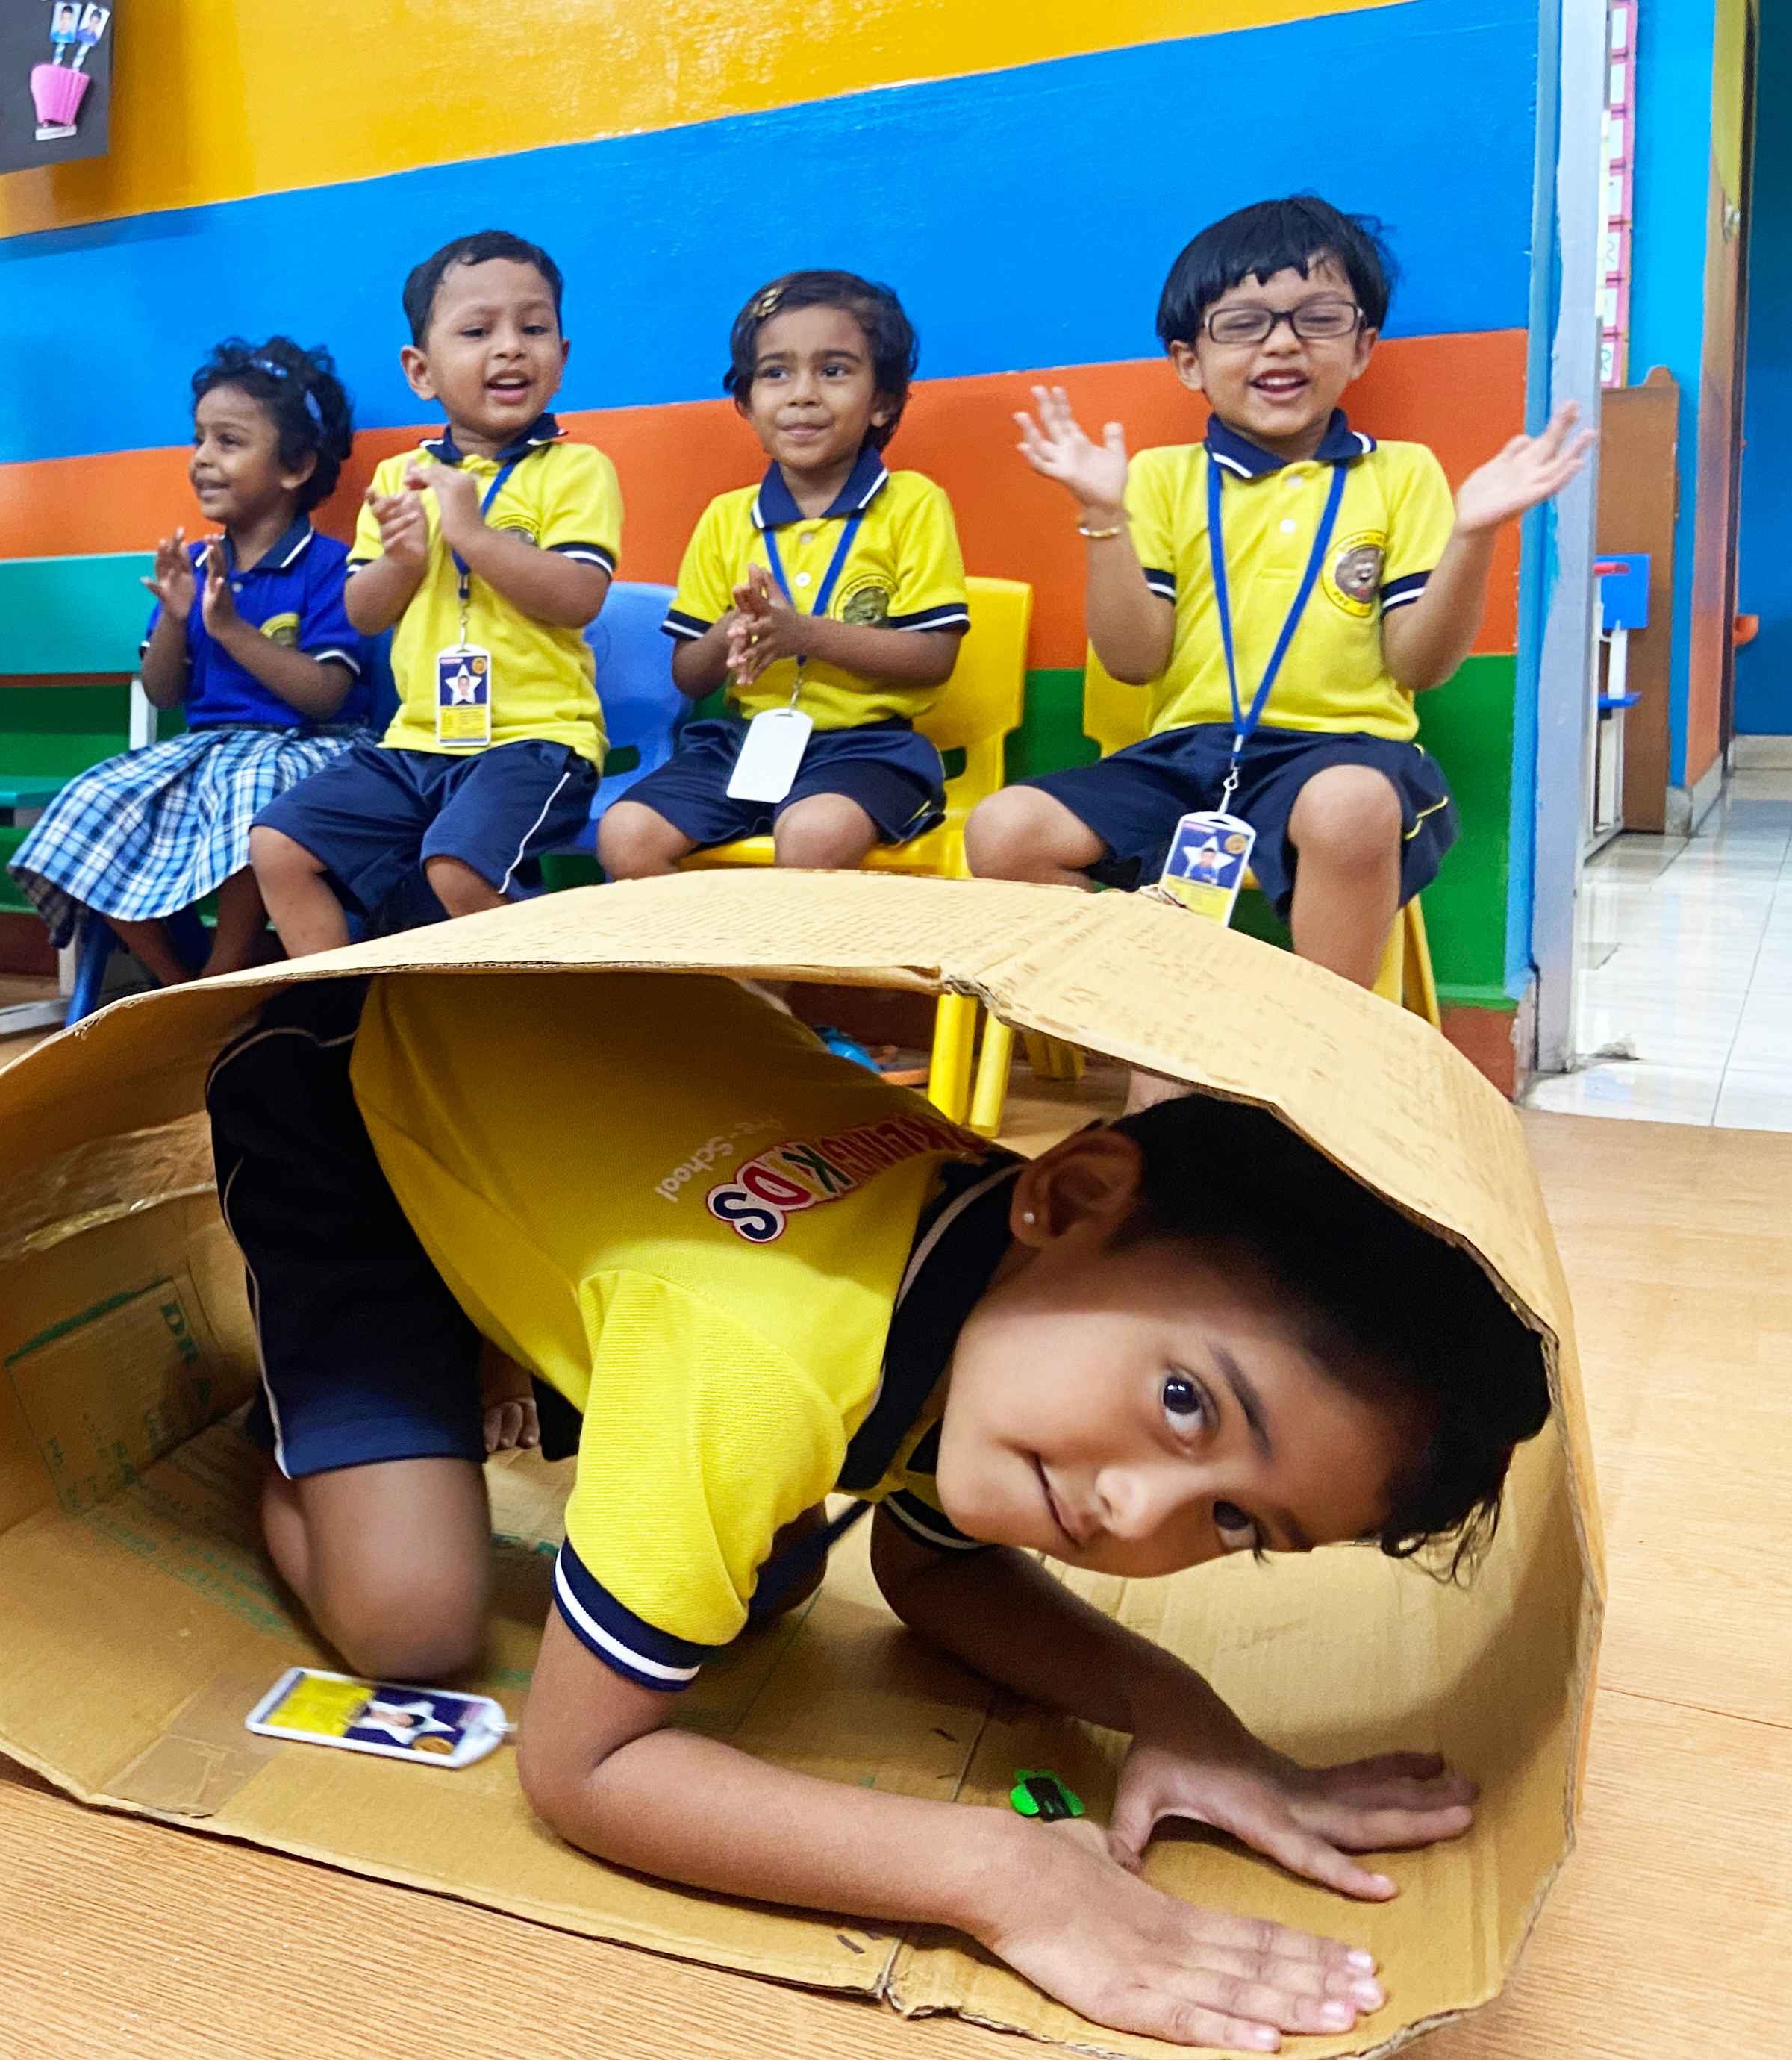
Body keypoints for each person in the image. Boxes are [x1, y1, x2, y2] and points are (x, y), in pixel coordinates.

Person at [207, 968, 1549, 2053]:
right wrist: (997, 1874)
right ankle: (302, 1431)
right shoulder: (765, 1361)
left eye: (1241, 1526)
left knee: (764, 1573)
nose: (1133, 1514)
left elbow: (932, 1573)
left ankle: (479, 1356)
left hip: (585, 1109)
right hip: (352, 1080)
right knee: (410, 1609)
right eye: (1189, 1404)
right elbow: (584, 1770)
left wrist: (1186, 1716)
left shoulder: (1019, 1280)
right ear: (1069, 1195)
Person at [973, 196, 1592, 994]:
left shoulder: (1400, 474)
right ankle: (1160, 1011)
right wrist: (1104, 517)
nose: (1283, 343)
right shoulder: (1156, 480)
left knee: (1346, 805)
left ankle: (1314, 1069)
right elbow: (1132, 663)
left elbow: (1421, 664)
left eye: (1318, 318)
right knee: (1004, 828)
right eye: (1243, 323)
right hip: (1191, 757)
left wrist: (1475, 536)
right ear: (1188, 360)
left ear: (1363, 346)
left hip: (1346, 754)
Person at [250, 231, 616, 953]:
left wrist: (474, 536)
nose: (510, 348)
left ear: (562, 359)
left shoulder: (579, 470)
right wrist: (403, 561)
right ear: (421, 370)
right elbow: (363, 612)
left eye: (533, 328)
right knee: (277, 843)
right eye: (478, 331)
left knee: (457, 865)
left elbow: (578, 597)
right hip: (419, 742)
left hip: (537, 742)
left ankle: (556, 1008)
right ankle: (349, 1017)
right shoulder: (398, 479)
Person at [8, 337, 375, 986]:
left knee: (254, 794)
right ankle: (175, 981)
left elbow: (325, 695)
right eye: (198, 439)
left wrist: (230, 629)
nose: (203, 459)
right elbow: (160, 692)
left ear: (294, 467)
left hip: (308, 748)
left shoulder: (331, 567)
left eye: (228, 442)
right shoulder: (199, 566)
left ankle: (226, 976)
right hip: (207, 753)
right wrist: (178, 618)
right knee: (89, 805)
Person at [596, 271, 969, 878]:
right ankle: (716, 975)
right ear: (745, 402)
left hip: (870, 749)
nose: (802, 394)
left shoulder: (912, 503)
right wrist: (735, 630)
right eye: (776, 372)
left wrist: (804, 635)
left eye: (835, 370)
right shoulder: (725, 516)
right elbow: (691, 676)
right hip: (745, 744)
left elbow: (934, 659)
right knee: (626, 833)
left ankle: (794, 979)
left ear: (884, 400)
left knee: (814, 835)